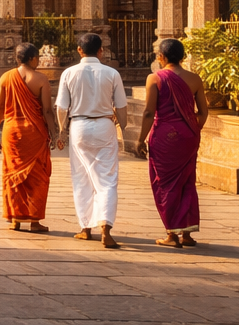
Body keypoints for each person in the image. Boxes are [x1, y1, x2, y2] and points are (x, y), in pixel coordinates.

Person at [55, 32, 129, 249]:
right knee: (107, 179)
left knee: (82, 177)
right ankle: (105, 227)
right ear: (101, 51)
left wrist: (62, 130)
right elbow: (121, 107)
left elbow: (61, 107)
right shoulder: (111, 73)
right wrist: (121, 128)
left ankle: (86, 227)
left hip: (79, 125)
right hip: (105, 125)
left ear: (79, 50)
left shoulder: (69, 73)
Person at [137, 37, 210, 248]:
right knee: (187, 182)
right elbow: (203, 112)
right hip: (188, 135)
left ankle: (172, 234)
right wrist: (193, 130)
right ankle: (187, 233)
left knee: (165, 184)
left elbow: (149, 111)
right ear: (183, 57)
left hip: (164, 137)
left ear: (162, 56)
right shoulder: (195, 79)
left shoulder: (155, 78)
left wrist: (141, 139)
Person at [0, 42, 61, 233]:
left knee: (12, 175)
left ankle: (14, 218)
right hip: (35, 132)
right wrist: (54, 134)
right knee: (37, 177)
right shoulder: (41, 79)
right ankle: (34, 221)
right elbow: (47, 110)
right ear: (33, 59)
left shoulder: (5, 78)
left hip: (11, 132)